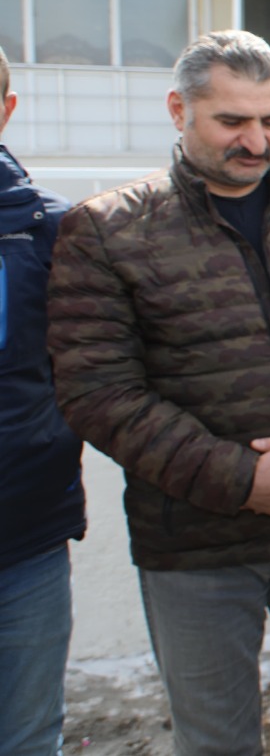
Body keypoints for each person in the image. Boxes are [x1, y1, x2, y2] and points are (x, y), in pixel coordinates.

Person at [47, 31, 270, 756]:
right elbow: (96, 390)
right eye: (232, 121)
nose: (256, 140)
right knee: (214, 744)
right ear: (179, 110)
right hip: (195, 546)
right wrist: (242, 480)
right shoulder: (107, 232)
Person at [0, 46, 85, 756]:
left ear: (5, 111)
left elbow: (95, 371)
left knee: (30, 738)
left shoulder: (49, 231)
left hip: (24, 542)